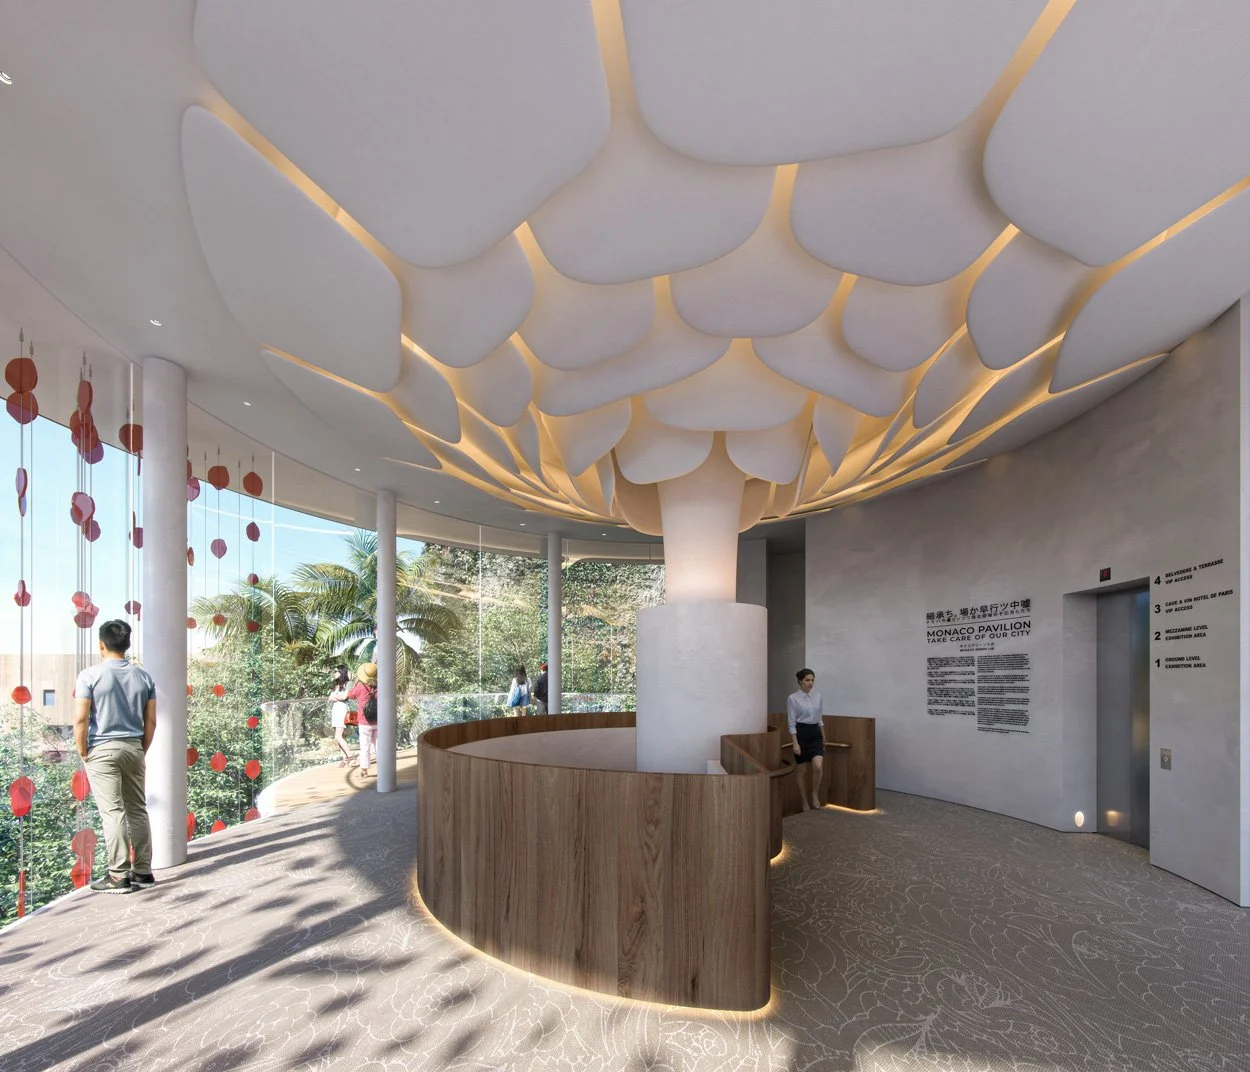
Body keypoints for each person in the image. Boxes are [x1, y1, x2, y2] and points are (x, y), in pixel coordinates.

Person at [73, 619, 157, 894]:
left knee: (113, 812)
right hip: (134, 747)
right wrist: (140, 749)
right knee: (137, 809)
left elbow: (81, 719)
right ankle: (143, 872)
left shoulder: (89, 676)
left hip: (102, 750)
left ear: (101, 644)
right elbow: (151, 722)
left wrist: (83, 750)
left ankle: (118, 875)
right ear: (127, 644)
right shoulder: (144, 677)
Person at [787, 667, 826, 811]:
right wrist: (795, 743)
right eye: (807, 680)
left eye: (812, 680)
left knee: (818, 766)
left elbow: (820, 719)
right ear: (800, 681)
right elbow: (791, 723)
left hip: (815, 733)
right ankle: (804, 801)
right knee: (802, 770)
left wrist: (824, 738)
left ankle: (814, 794)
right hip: (801, 734)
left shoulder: (818, 697)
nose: (810, 683)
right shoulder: (793, 698)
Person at [347, 662, 378, 777]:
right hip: (379, 721)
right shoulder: (380, 687)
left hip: (364, 722)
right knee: (379, 746)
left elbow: (349, 694)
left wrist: (356, 683)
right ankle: (383, 770)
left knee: (365, 747)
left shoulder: (360, 688)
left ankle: (364, 770)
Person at [329, 665, 352, 767]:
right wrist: (336, 697)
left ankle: (350, 757)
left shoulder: (348, 684)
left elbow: (344, 697)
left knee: (338, 736)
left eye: (336, 671)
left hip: (342, 710)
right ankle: (345, 758)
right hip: (335, 710)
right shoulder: (337, 685)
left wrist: (335, 697)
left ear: (341, 672)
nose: (334, 673)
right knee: (339, 736)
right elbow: (330, 698)